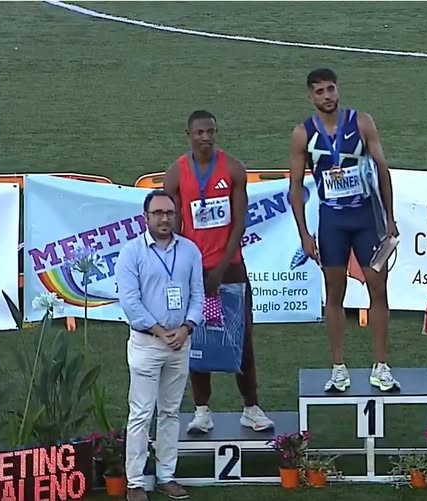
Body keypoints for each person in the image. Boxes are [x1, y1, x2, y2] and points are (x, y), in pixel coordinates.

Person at [288, 68, 400, 392]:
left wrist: (390, 217)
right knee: (334, 293)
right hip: (332, 222)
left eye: (331, 89)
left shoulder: (361, 123)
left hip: (365, 219)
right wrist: (304, 234)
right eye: (320, 91)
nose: (327, 96)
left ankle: (381, 366)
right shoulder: (303, 134)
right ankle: (338, 368)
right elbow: (295, 188)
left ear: (338, 90)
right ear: (310, 97)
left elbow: (382, 170)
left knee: (378, 288)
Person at [163, 110, 274, 433]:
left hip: (231, 269)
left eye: (210, 131)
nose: (206, 137)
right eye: (199, 132)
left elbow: (239, 223)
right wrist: (188, 269)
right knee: (197, 338)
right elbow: (173, 227)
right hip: (193, 271)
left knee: (241, 337)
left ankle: (251, 407)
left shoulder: (233, 168)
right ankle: (202, 411)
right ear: (188, 135)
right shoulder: (176, 174)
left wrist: (222, 266)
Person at [115, 189, 205, 501]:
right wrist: (158, 330)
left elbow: (198, 295)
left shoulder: (190, 251)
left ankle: (167, 475)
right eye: (158, 213)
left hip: (180, 343)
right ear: (146, 217)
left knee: (170, 412)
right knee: (141, 413)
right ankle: (135, 482)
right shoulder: (131, 253)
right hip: (147, 344)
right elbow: (130, 301)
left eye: (169, 213)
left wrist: (187, 327)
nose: (164, 218)